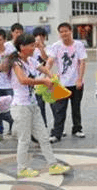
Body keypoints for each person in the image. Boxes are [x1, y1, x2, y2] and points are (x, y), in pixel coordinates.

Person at [9, 33, 71, 178]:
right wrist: (43, 82)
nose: (33, 48)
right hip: (21, 107)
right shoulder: (16, 63)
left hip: (33, 105)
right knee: (24, 139)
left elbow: (43, 68)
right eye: (31, 45)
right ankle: (22, 168)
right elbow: (23, 80)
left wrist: (50, 75)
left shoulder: (30, 61)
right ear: (22, 47)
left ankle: (53, 165)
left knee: (43, 137)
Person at [47, 22, 87, 142]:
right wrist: (47, 74)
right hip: (61, 84)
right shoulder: (56, 46)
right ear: (59, 34)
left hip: (76, 83)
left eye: (66, 31)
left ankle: (77, 129)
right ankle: (57, 133)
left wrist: (79, 79)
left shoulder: (78, 45)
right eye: (61, 31)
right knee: (59, 109)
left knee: (76, 107)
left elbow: (82, 62)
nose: (64, 33)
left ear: (71, 31)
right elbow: (50, 61)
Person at [32, 27, 51, 128]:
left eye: (41, 36)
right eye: (36, 36)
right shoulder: (31, 49)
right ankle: (43, 126)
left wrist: (41, 48)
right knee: (40, 106)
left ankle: (57, 128)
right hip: (37, 82)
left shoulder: (49, 48)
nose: (39, 38)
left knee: (54, 106)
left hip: (48, 80)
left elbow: (47, 59)